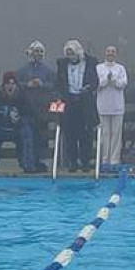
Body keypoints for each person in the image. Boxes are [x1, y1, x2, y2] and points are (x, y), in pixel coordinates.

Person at [56, 40, 98, 172]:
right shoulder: (62, 65)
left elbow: (95, 82)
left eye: (72, 53)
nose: (70, 56)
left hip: (84, 102)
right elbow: (58, 84)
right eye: (68, 54)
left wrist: (88, 87)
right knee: (70, 134)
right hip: (69, 102)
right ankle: (72, 162)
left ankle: (85, 162)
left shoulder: (90, 63)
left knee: (86, 134)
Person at [19, 40, 56, 158]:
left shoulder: (48, 71)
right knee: (28, 134)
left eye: (41, 52)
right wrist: (27, 84)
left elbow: (54, 86)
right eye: (36, 51)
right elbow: (16, 84)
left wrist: (42, 84)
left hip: (42, 109)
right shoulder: (22, 70)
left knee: (42, 135)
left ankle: (42, 159)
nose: (38, 54)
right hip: (27, 108)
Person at [96, 45, 128, 166]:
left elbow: (124, 83)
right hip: (103, 106)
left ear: (116, 54)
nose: (110, 54)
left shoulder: (120, 68)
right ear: (105, 53)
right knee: (105, 134)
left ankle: (114, 160)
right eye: (108, 51)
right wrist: (106, 80)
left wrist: (113, 81)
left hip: (117, 106)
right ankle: (104, 159)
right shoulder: (99, 68)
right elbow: (97, 84)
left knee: (116, 134)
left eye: (113, 52)